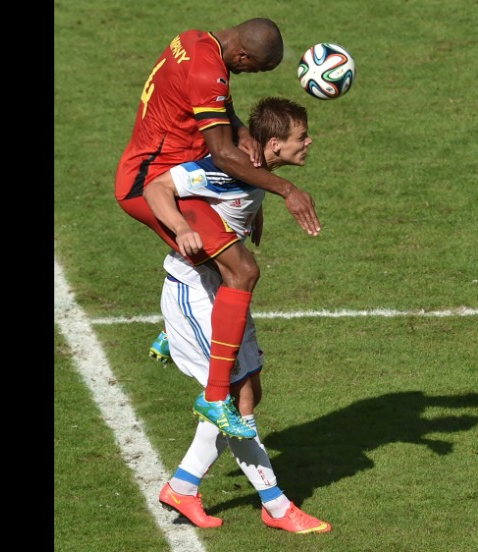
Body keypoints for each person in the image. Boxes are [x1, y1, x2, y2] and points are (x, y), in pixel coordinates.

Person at [114, 18, 322, 440]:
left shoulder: (195, 42)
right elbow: (224, 156)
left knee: (227, 240)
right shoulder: (211, 71)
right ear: (242, 57)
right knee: (241, 270)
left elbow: (214, 101)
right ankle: (212, 396)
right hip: (153, 183)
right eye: (256, 69)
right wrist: (286, 190)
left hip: (167, 170)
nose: (251, 75)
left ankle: (174, 333)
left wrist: (244, 131)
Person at [155, 97, 331, 533]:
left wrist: (255, 214)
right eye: (300, 137)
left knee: (250, 391)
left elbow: (238, 199)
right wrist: (182, 229)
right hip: (194, 294)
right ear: (273, 144)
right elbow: (157, 187)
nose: (309, 143)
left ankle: (183, 485)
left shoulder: (259, 176)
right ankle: (277, 505)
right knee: (233, 399)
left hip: (225, 293)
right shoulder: (221, 169)